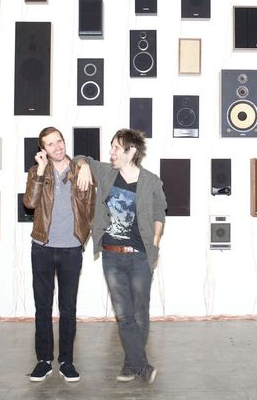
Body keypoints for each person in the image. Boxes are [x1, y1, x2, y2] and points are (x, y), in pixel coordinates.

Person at [76, 128, 167, 384]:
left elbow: (160, 210)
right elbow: (80, 157)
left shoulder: (150, 181)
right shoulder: (106, 173)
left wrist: (156, 240)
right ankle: (142, 366)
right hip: (112, 256)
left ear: (132, 152)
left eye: (116, 148)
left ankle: (131, 364)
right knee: (123, 314)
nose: (111, 152)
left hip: (140, 257)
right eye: (112, 147)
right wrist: (83, 165)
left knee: (140, 313)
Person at [23, 126, 95, 383]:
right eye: (50, 144)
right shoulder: (36, 172)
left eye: (59, 141)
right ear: (43, 150)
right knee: (42, 308)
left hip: (71, 249)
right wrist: (41, 170)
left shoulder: (80, 170)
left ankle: (66, 360)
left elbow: (90, 206)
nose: (57, 147)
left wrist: (84, 161)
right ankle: (43, 361)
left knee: (68, 308)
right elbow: (30, 203)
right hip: (42, 247)